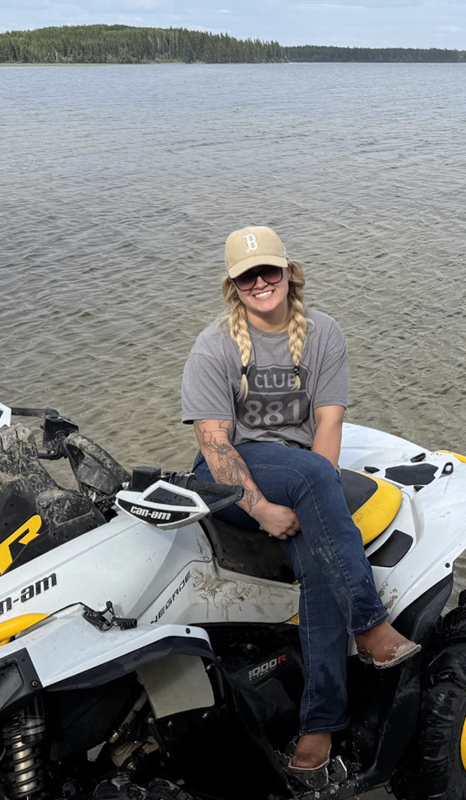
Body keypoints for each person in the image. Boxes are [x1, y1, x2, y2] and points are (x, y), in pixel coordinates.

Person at [180, 225, 420, 778]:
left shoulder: (323, 334)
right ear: (233, 286)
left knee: (318, 559)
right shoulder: (214, 345)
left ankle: (318, 727)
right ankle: (371, 627)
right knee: (313, 473)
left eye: (270, 271)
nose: (261, 283)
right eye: (247, 277)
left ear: (289, 272)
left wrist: (317, 500)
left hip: (301, 475)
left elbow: (329, 425)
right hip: (230, 477)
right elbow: (214, 443)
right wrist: (261, 508)